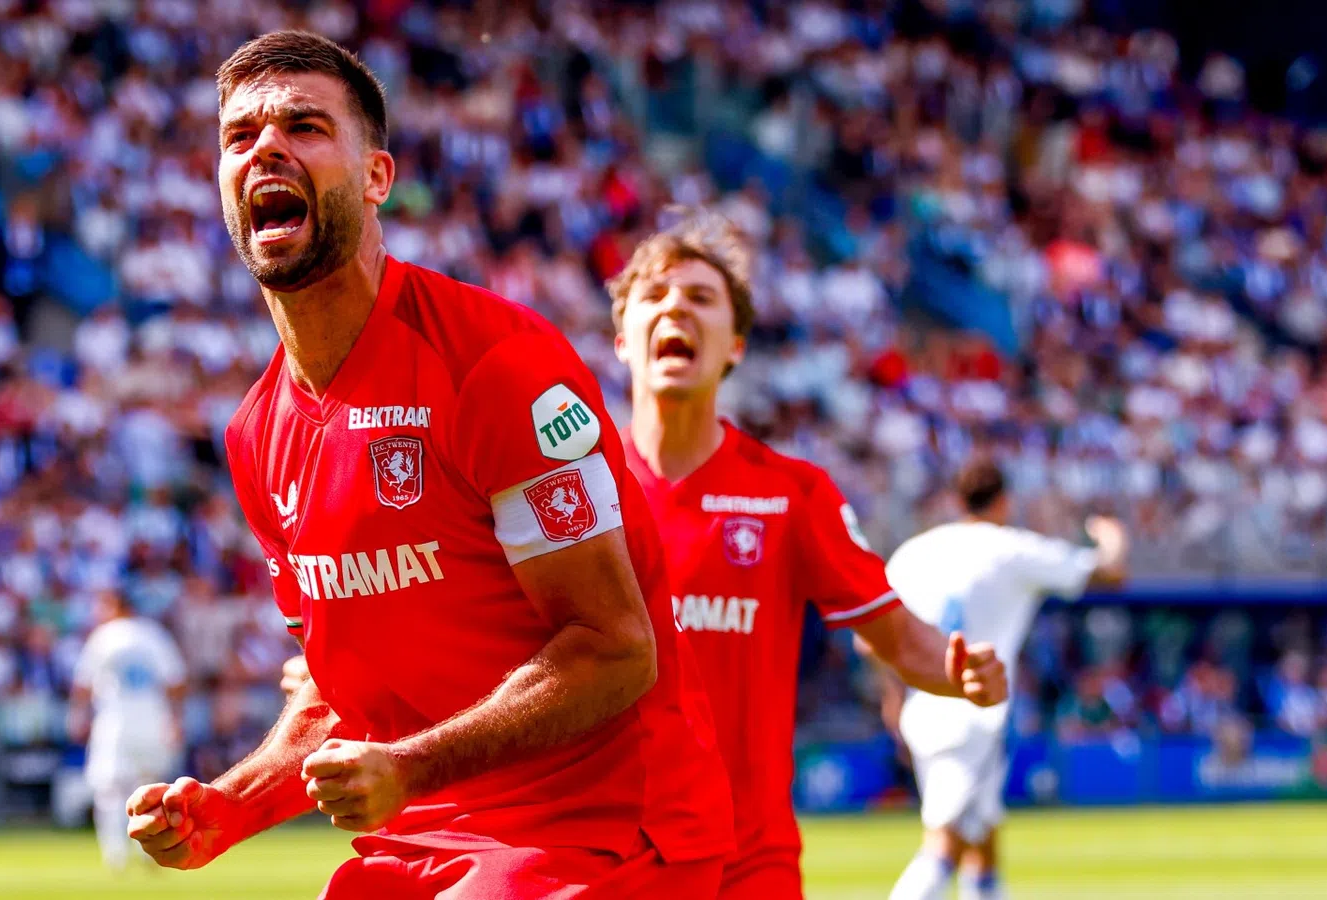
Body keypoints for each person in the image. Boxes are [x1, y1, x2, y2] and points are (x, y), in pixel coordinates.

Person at [128, 30, 734, 898]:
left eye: (305, 126)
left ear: (377, 178)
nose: (266, 146)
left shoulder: (492, 365)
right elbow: (344, 694)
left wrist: (408, 767)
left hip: (604, 830)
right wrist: (229, 807)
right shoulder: (256, 434)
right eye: (239, 137)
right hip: (422, 838)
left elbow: (615, 648)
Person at [607, 210, 1010, 899]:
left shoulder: (791, 494)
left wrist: (954, 670)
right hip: (608, 854)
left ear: (735, 345)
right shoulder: (573, 491)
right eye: (656, 294)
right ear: (622, 340)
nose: (676, 305)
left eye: (701, 297)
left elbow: (893, 634)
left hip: (747, 860)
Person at [882, 459, 1128, 900]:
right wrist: (1113, 537)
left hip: (923, 705)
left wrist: (891, 698)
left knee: (983, 845)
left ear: (956, 500)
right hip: (974, 710)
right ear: (1005, 502)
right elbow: (1109, 573)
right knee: (943, 848)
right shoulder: (1011, 548)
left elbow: (874, 636)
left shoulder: (914, 552)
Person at [68, 590, 186, 871]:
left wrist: (77, 717)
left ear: (114, 605)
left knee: (109, 789)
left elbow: (83, 685)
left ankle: (115, 855)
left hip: (115, 723)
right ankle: (151, 851)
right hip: (152, 721)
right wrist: (175, 720)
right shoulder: (154, 635)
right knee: (150, 788)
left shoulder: (104, 636)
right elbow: (176, 682)